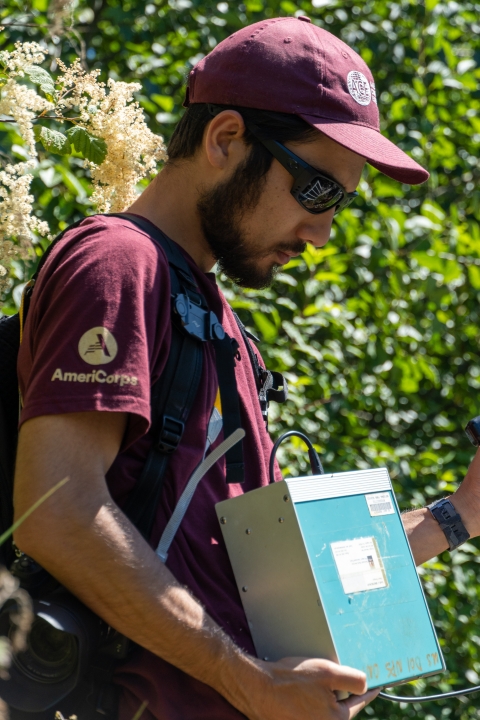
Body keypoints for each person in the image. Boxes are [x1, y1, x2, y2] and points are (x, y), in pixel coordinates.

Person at [13, 15, 480, 720]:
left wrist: (462, 512)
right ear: (225, 138)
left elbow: (276, 576)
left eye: (340, 205)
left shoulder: (221, 323)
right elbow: (58, 512)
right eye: (316, 192)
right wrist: (249, 684)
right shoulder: (117, 263)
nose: (322, 233)